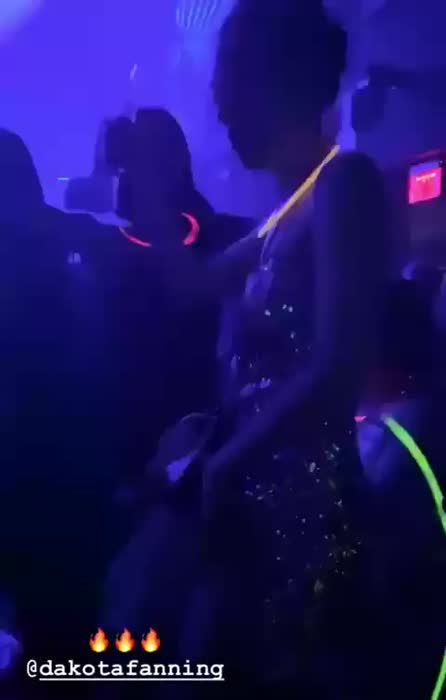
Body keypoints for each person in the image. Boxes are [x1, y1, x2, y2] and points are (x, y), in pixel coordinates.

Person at [101, 1, 389, 696]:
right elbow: (191, 287)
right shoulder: (287, 211)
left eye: (228, 91)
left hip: (305, 513)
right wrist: (150, 185)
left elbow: (338, 366)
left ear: (275, 79)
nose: (221, 113)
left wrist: (227, 459)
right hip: (255, 504)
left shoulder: (345, 183)